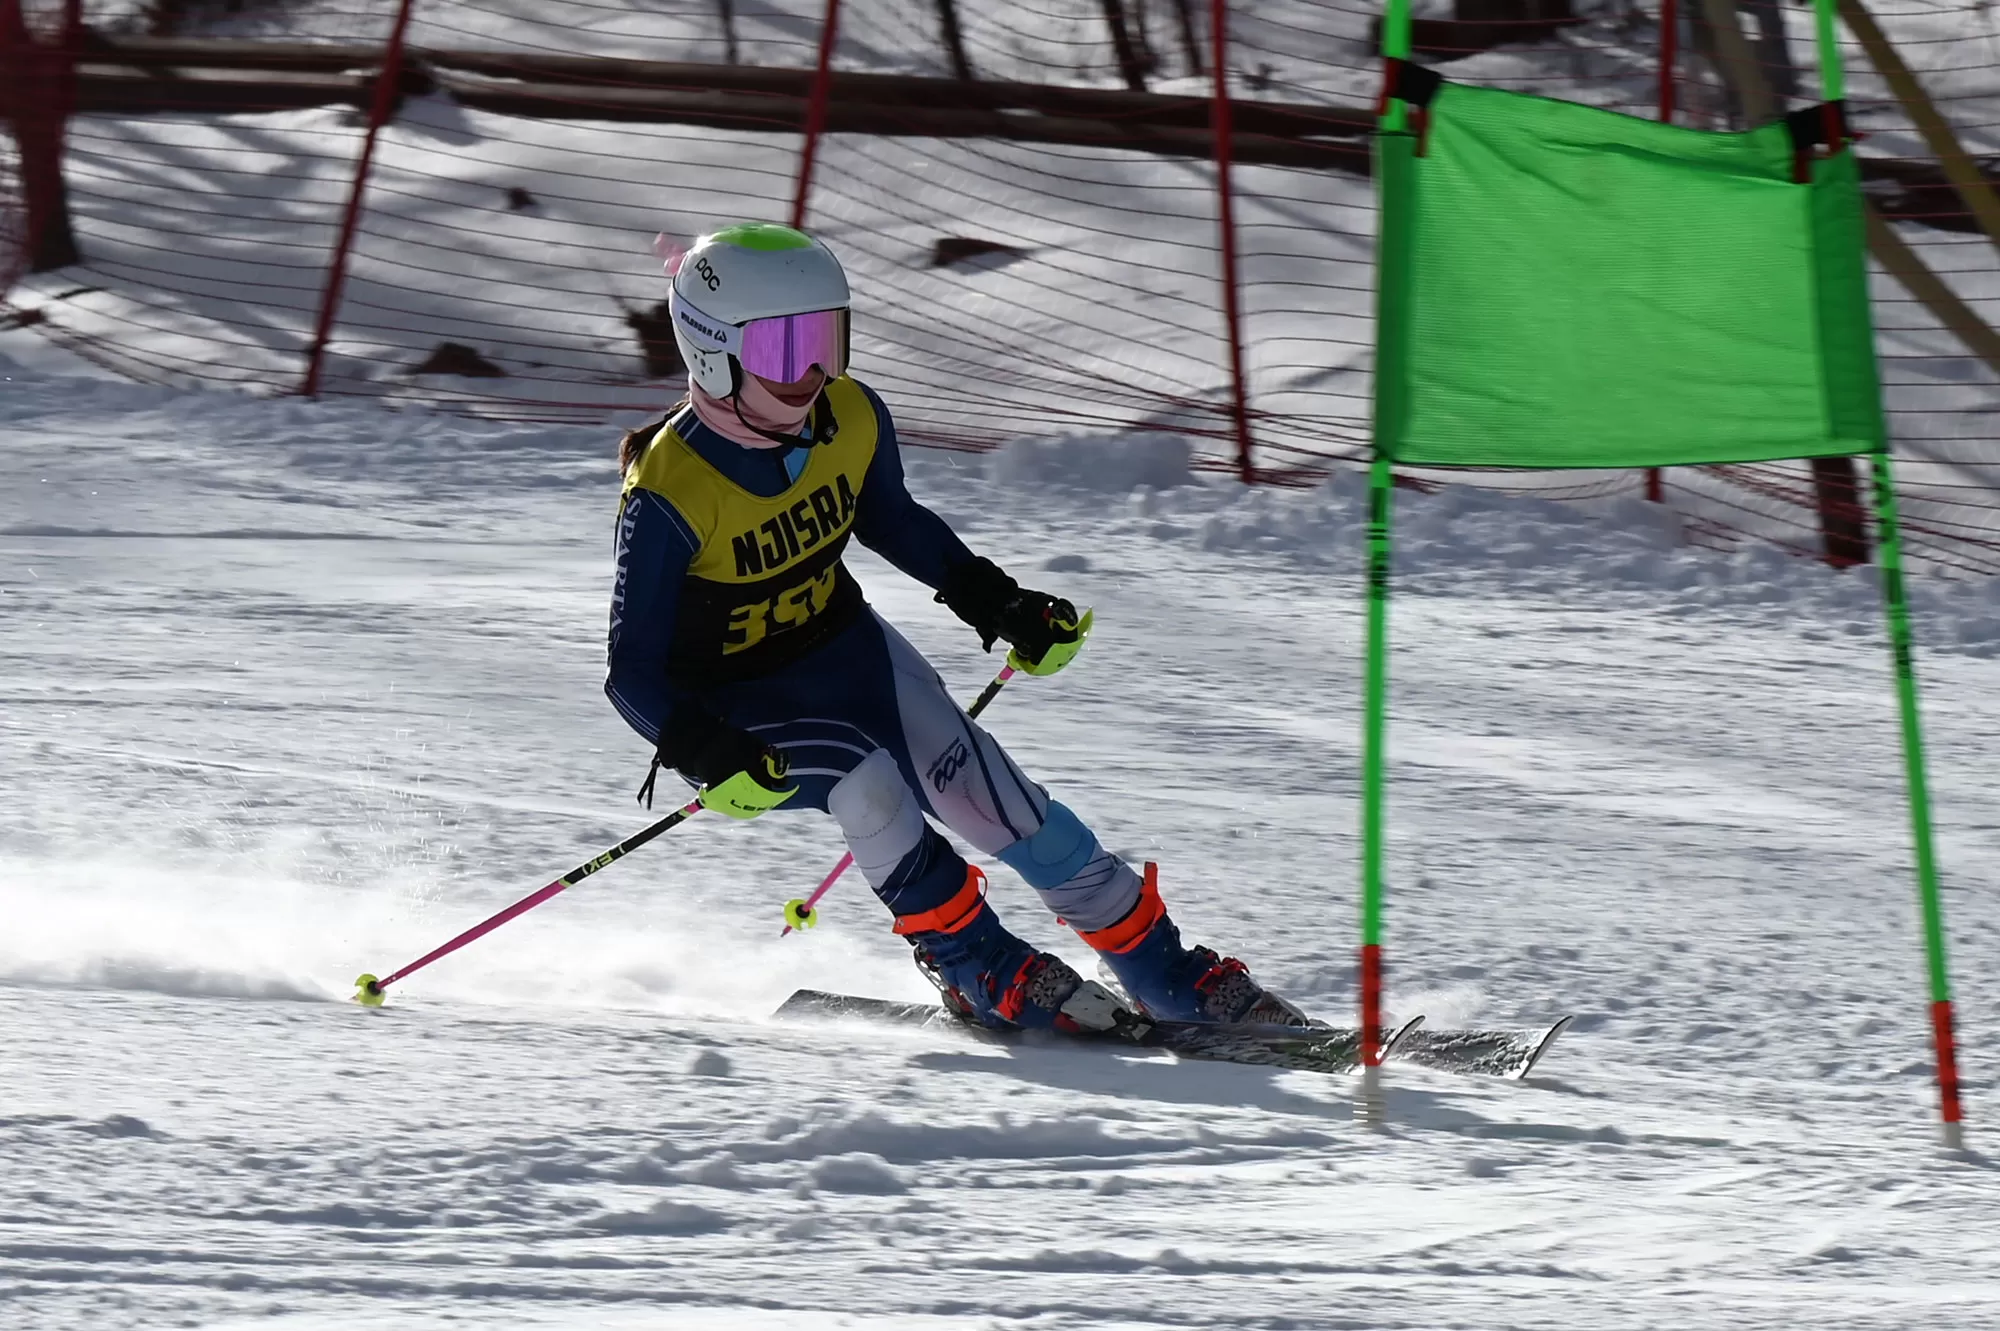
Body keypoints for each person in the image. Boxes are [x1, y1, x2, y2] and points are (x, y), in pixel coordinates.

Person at [605, 222, 1305, 1033]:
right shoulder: (670, 490)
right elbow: (630, 669)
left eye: (825, 340)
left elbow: (892, 519)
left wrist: (997, 602)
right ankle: (974, 963)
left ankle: (1164, 969)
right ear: (713, 351)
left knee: (992, 795)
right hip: (737, 714)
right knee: (865, 780)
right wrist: (703, 747)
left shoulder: (851, 415)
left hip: (846, 655)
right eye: (782, 350)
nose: (812, 373)